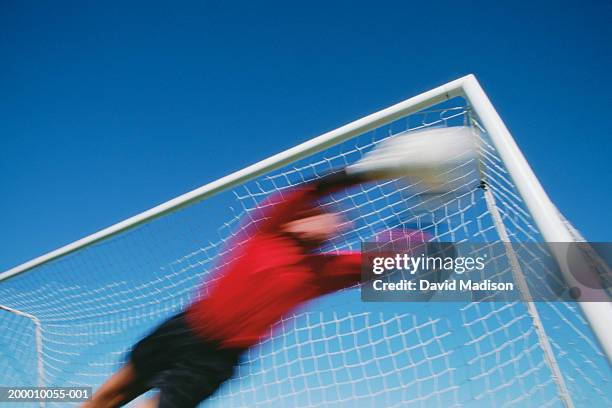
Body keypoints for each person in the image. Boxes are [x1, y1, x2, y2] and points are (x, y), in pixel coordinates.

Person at [84, 169, 381, 408]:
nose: (332, 222)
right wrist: (370, 172)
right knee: (109, 397)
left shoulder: (324, 270)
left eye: (338, 223)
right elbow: (309, 188)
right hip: (185, 327)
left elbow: (384, 261)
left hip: (217, 358)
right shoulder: (265, 231)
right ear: (298, 217)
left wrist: (422, 222)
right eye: (322, 214)